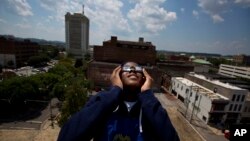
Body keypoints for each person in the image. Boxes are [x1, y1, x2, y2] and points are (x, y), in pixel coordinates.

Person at [57, 62, 179, 141]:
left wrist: (147, 94)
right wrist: (114, 91)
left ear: (144, 78)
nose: (132, 70)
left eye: (137, 69)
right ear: (118, 76)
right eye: (127, 68)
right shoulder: (103, 103)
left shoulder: (150, 108)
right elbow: (67, 137)